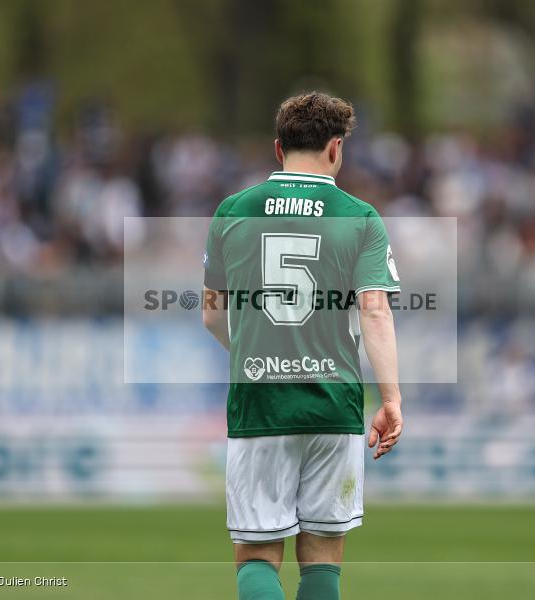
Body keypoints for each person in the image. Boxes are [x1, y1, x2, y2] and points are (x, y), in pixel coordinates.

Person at [202, 92, 403, 600]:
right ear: (336, 150)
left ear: (277, 149)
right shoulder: (360, 216)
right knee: (322, 559)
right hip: (333, 403)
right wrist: (392, 399)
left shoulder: (232, 211)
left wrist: (255, 352)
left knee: (256, 555)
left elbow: (211, 313)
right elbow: (374, 310)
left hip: (260, 403)